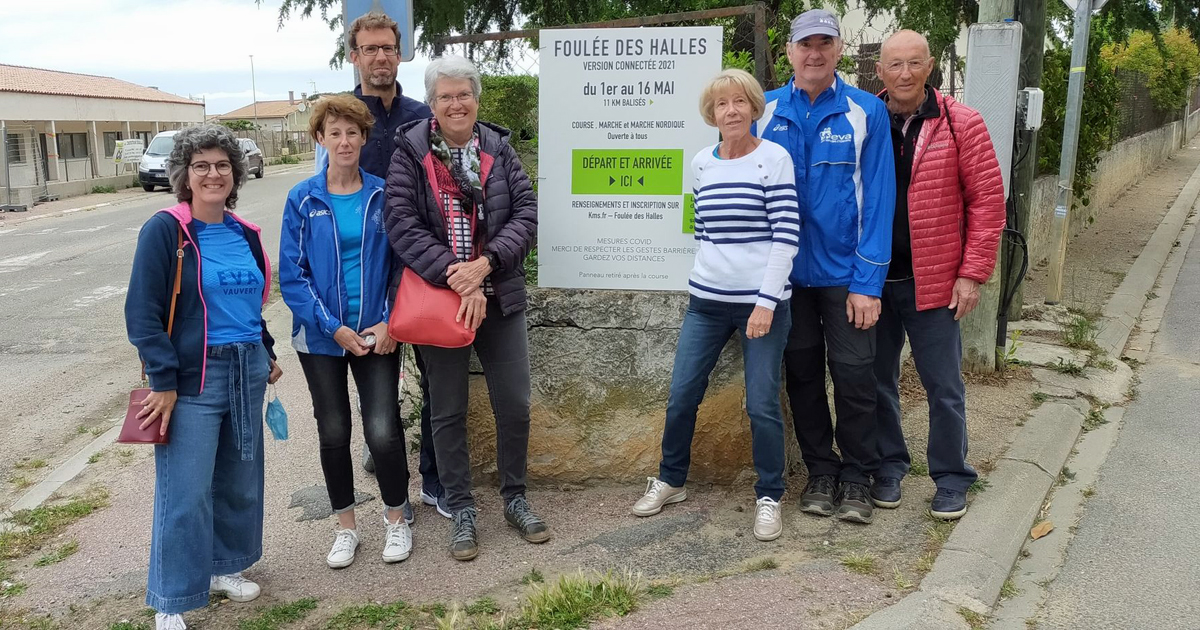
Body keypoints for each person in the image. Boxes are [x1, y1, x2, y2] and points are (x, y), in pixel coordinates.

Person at [631, 69, 800, 542]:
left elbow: (787, 236)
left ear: (753, 108)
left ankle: (770, 495)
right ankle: (671, 479)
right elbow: (701, 227)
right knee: (682, 393)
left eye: (739, 102)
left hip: (761, 306)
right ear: (712, 113)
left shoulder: (774, 159)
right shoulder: (701, 162)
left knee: (762, 403)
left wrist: (765, 303)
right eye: (721, 104)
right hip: (705, 303)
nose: (730, 111)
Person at [385, 55, 543, 561]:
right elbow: (402, 223)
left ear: (476, 99)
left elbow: (527, 213)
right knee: (448, 411)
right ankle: (462, 509)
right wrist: (460, 276)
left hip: (501, 297)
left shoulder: (498, 147)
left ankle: (515, 499)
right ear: (432, 103)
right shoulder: (409, 152)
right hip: (441, 300)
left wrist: (487, 265)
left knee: (514, 404)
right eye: (445, 96)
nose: (456, 103)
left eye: (464, 94)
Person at [125, 124, 283, 630]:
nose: (213, 174)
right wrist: (164, 380)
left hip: (247, 368)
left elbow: (250, 307)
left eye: (222, 165)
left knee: (239, 481)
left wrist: (266, 351)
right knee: (186, 490)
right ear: (185, 176)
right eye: (201, 166)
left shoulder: (245, 234)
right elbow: (142, 314)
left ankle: (224, 567)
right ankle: (172, 598)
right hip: (191, 378)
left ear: (235, 174)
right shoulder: (165, 231)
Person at [759, 9, 896, 525]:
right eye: (804, 44)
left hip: (846, 280)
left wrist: (867, 282)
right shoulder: (764, 111)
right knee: (802, 377)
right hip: (788, 280)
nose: (814, 53)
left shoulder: (866, 111)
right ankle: (821, 471)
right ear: (789, 52)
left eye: (824, 43)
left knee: (857, 377)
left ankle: (859, 476)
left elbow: (879, 202)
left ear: (839, 49)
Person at [872, 30, 1006, 520]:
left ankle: (951, 476)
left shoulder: (961, 123)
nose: (904, 74)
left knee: (943, 387)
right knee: (877, 380)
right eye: (894, 65)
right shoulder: (866, 121)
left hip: (935, 283)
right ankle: (888, 466)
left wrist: (971, 274)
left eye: (914, 63)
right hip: (874, 283)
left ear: (930, 67)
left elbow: (988, 202)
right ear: (880, 71)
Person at [279, 94, 415, 569]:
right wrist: (333, 328)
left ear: (363, 137)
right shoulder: (303, 198)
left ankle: (397, 520)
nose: (344, 141)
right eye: (334, 133)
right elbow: (292, 277)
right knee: (333, 430)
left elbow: (402, 265)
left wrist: (389, 321)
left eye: (352, 132)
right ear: (320, 139)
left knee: (382, 429)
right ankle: (346, 528)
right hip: (321, 339)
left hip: (379, 333)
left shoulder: (383, 194)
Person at [341, 10, 448, 519]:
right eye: (370, 49)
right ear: (354, 55)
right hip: (366, 268)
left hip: (418, 264)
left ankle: (433, 475)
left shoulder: (421, 115)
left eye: (388, 47)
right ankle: (383, 449)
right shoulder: (341, 117)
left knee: (433, 374)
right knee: (375, 375)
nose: (380, 57)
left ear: (399, 52)